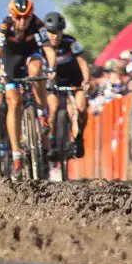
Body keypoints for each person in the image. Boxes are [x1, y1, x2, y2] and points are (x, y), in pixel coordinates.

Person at [0, 0, 57, 179]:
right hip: (10, 60)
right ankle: (17, 152)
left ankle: (42, 113)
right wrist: (1, 74)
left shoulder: (37, 23)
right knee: (14, 102)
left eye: (26, 17)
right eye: (18, 17)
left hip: (30, 55)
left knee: (37, 70)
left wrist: (52, 69)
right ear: (12, 15)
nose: (22, 21)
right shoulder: (4, 26)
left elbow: (49, 50)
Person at [43, 11, 89, 160]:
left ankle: (79, 137)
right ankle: (51, 141)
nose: (54, 36)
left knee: (80, 108)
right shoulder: (42, 45)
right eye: (51, 32)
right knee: (53, 108)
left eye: (58, 32)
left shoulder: (71, 42)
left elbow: (83, 63)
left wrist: (86, 80)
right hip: (52, 83)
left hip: (74, 81)